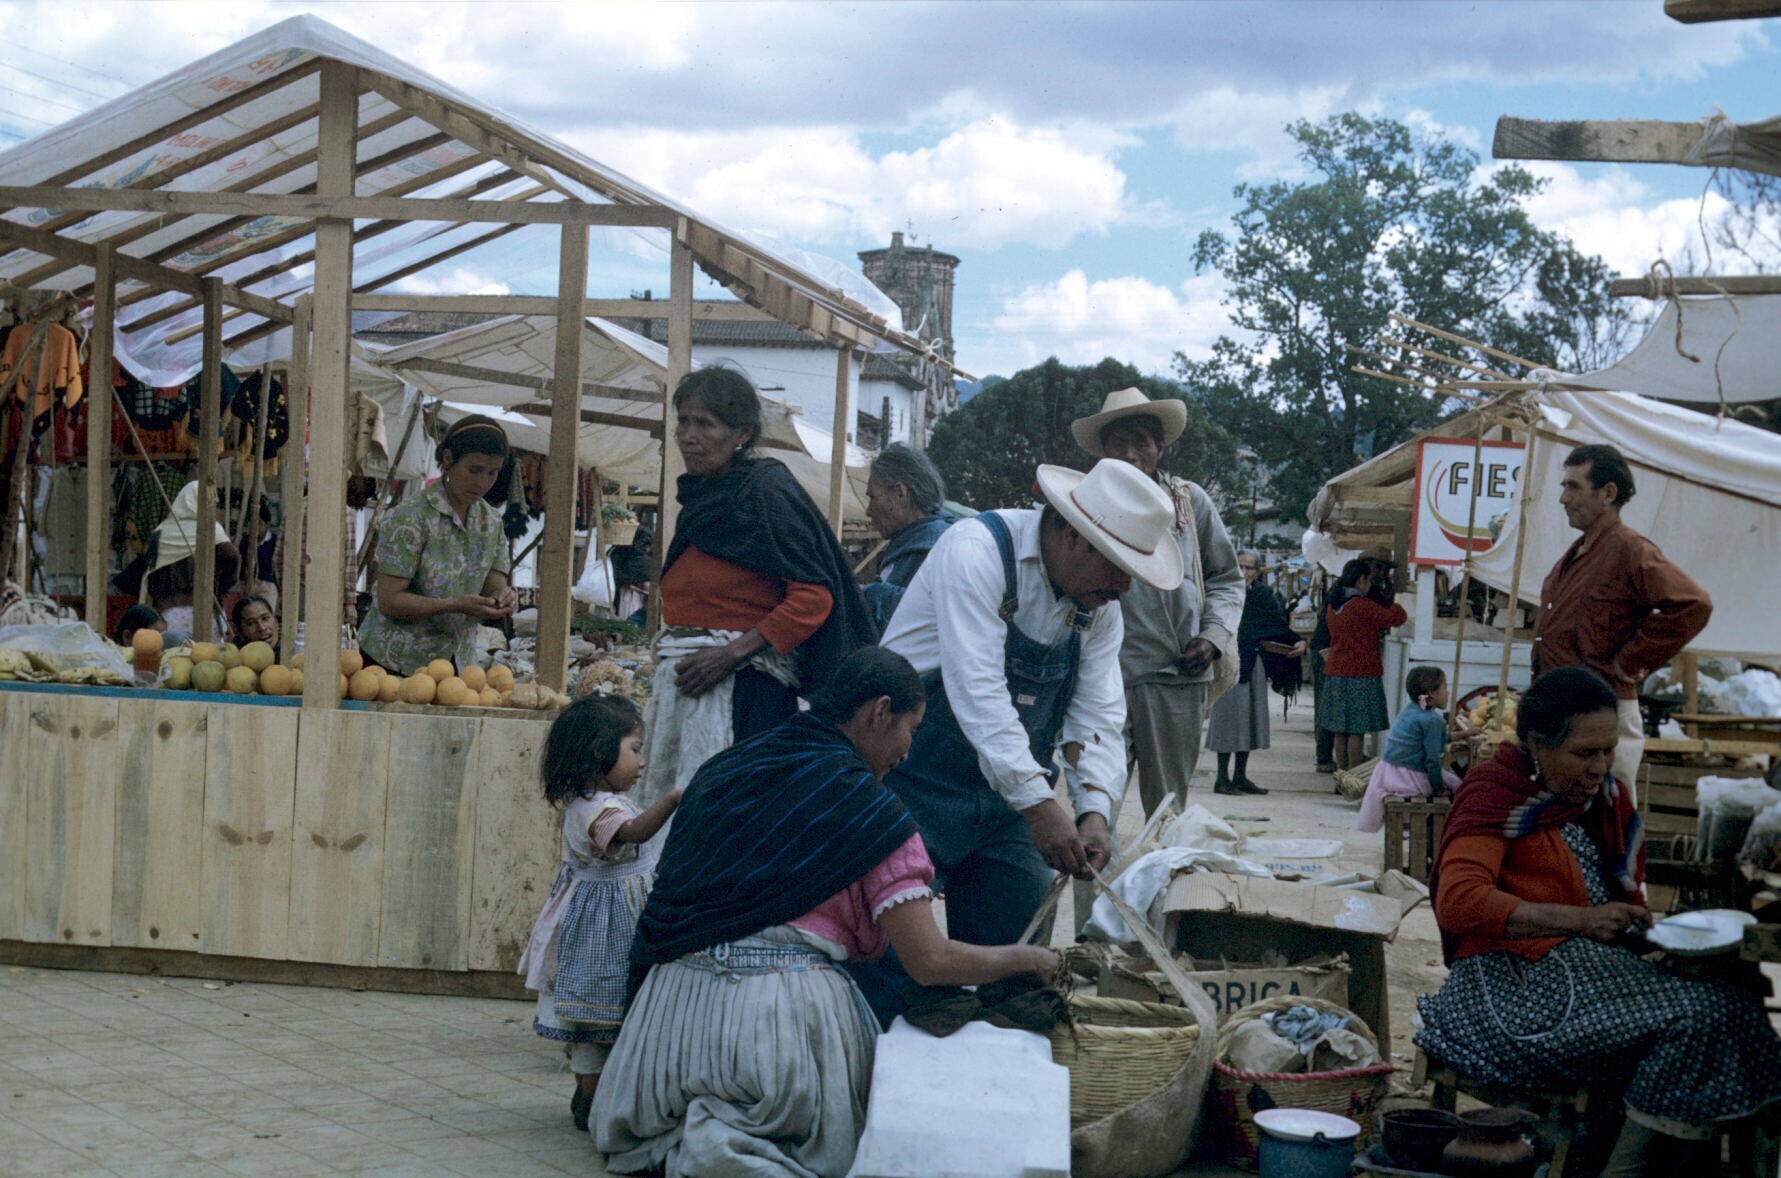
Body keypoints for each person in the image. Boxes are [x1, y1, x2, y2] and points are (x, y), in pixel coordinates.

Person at [594, 647, 1058, 1177]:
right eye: (911, 730)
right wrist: (1025, 958)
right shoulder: (872, 813)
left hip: (665, 1041)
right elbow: (931, 962)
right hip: (776, 1042)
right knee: (815, 1144)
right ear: (879, 712)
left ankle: (701, 1137)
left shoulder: (723, 770)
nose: (908, 752)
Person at [1416, 667, 1781, 1174]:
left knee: (1735, 1000)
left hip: (1584, 969)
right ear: (1537, 745)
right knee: (1697, 1019)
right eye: (1585, 753)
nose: (1601, 767)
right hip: (1510, 990)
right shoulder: (1495, 795)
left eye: (1609, 751)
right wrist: (1582, 920)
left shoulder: (1599, 799)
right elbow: (1459, 900)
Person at [857, 458, 1181, 1023]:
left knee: (1017, 974)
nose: (1125, 587)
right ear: (1073, 535)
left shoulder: (1098, 609)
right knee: (893, 963)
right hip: (914, 783)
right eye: (1118, 567)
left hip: (1007, 801)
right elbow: (977, 691)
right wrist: (1040, 806)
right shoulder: (975, 552)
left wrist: (1094, 810)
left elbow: (1098, 711)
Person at [640, 368, 876, 806]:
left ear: (742, 434)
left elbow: (813, 597)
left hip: (744, 695)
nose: (688, 436)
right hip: (694, 686)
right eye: (683, 421)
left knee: (729, 815)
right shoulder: (704, 497)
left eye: (705, 424)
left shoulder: (764, 492)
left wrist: (731, 655)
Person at [1069, 386, 1244, 815]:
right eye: (1118, 443)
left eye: (1141, 443)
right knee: (1095, 802)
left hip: (1175, 675)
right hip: (1099, 676)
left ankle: (1164, 864)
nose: (1130, 454)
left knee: (1167, 810)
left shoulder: (1188, 502)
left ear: (1160, 448)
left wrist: (1213, 636)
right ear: (1102, 451)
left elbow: (1226, 579)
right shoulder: (1079, 501)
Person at [519, 696, 681, 1133]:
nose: (642, 761)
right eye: (634, 749)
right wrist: (673, 799)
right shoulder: (594, 809)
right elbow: (632, 833)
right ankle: (592, 1100)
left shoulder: (600, 799)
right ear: (598, 752)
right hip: (605, 925)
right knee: (595, 1019)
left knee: (607, 1019)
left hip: (615, 913)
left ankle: (596, 1094)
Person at [1533, 443, 1711, 799]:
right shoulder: (1576, 554)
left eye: (1574, 487)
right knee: (1563, 816)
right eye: (1564, 487)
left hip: (1603, 714)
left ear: (1608, 493)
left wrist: (1631, 662)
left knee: (1608, 813)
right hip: (1562, 709)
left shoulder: (1630, 549)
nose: (1563, 499)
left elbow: (1693, 604)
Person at [357, 416, 515, 675]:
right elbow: (390, 601)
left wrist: (502, 598)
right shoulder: (410, 517)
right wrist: (454, 604)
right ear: (449, 459)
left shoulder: (492, 522)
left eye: (492, 473)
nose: (482, 482)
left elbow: (493, 586)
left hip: (456, 664)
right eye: (474, 470)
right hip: (393, 664)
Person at [1207, 549, 1306, 795]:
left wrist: (1297, 640)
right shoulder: (1221, 593)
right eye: (1239, 566)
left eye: (1249, 568)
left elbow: (1276, 625)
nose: (1243, 572)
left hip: (1253, 663)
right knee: (1228, 720)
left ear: (1257, 572)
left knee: (1250, 719)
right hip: (1227, 663)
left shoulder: (1262, 596)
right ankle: (1222, 778)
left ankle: (1240, 776)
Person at [119, 479, 240, 640]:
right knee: (206, 654)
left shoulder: (161, 532)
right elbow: (233, 558)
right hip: (204, 611)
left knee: (172, 654)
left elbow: (149, 571)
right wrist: (219, 588)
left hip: (166, 614)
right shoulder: (211, 529)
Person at [1322, 557, 1408, 771]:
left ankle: (1341, 775)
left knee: (1340, 729)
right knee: (1356, 730)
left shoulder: (1333, 606)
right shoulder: (1362, 606)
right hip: (1360, 672)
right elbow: (1397, 617)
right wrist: (1393, 600)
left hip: (1336, 670)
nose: (1370, 584)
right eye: (1369, 580)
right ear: (1361, 579)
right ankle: (1353, 775)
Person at [1356, 665, 1464, 832]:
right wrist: (1439, 789)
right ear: (1431, 693)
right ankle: (1438, 835)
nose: (1448, 693)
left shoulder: (1411, 710)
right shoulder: (1432, 720)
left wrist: (1465, 734)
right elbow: (1432, 762)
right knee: (1459, 788)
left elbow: (1438, 738)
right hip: (1409, 778)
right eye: (1444, 688)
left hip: (1388, 773)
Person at [861, 443, 952, 633]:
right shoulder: (913, 545)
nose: (868, 511)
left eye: (873, 497)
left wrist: (873, 595)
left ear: (900, 493)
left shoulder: (932, 551)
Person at [230, 594, 279, 660]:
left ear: (276, 622)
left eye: (265, 618)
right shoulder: (233, 660)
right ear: (239, 632)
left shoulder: (289, 655)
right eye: (250, 623)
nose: (262, 628)